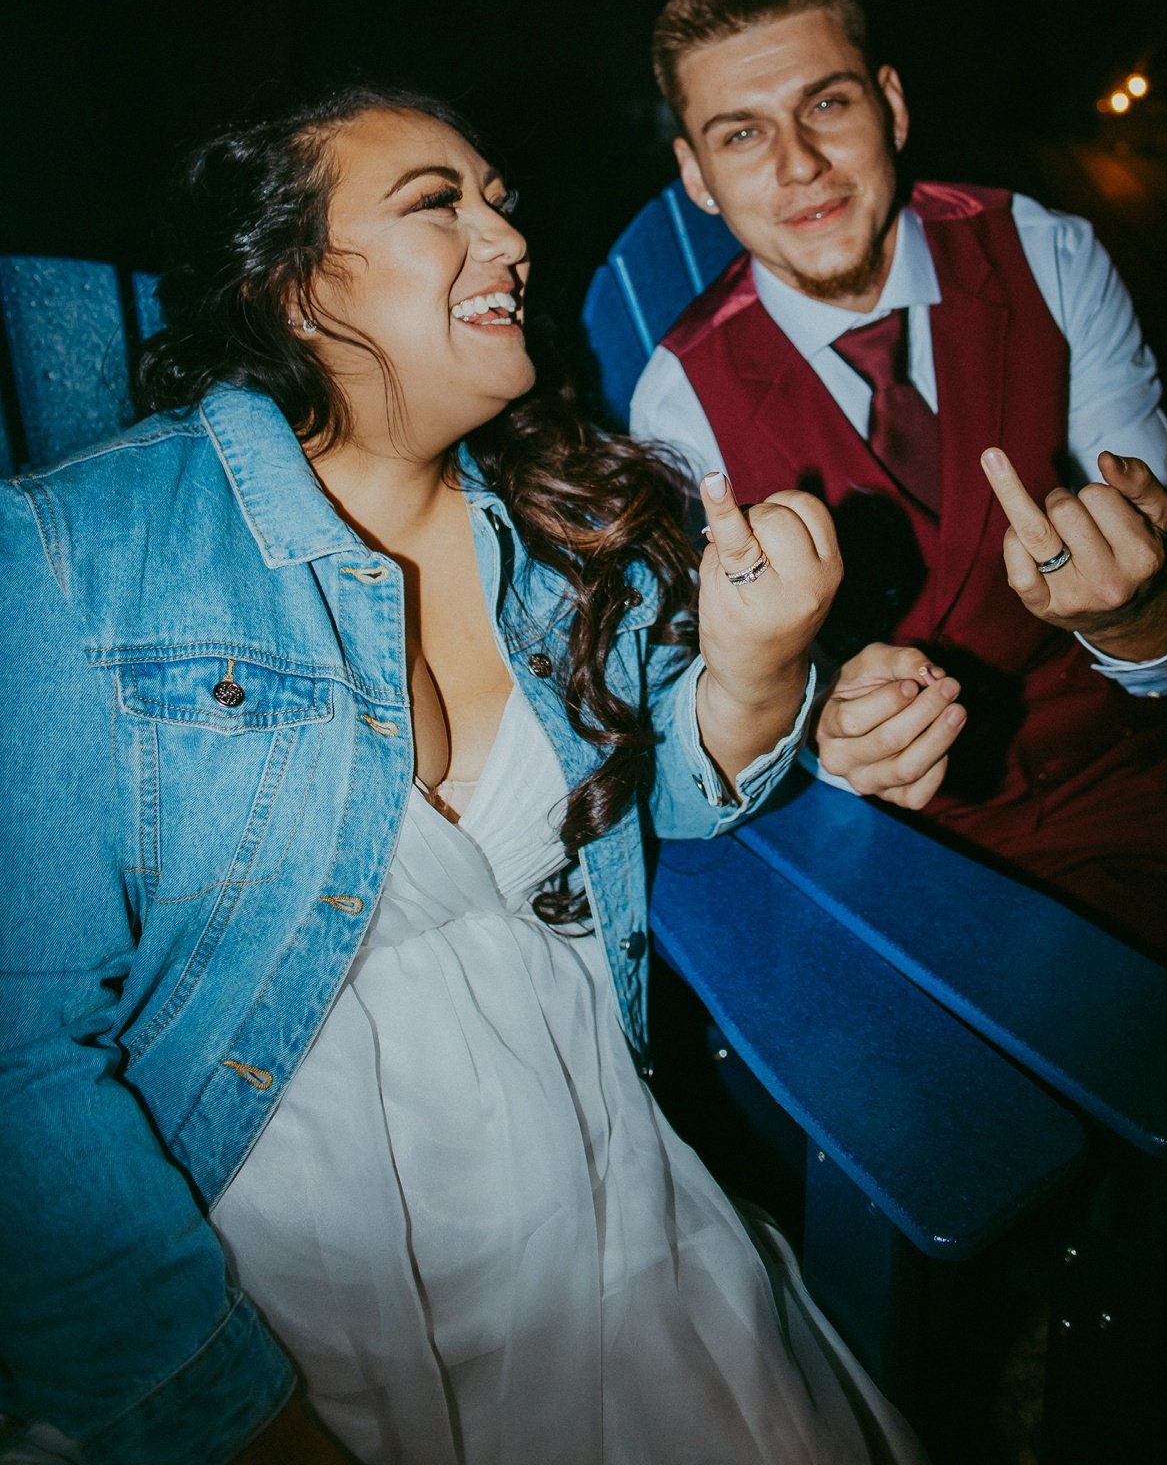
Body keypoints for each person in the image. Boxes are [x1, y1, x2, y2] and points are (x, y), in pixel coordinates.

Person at [0, 86, 928, 1465]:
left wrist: (758, 666)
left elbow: (665, 791)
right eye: (438, 204)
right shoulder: (80, 554)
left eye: (498, 199)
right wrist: (218, 1414)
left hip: (589, 1168)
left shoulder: (557, 528)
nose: (506, 237)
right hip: (262, 1228)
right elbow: (20, 1056)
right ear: (296, 286)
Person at [631, 0, 1167, 1374]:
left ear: (891, 102)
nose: (798, 165)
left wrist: (1132, 618)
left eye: (826, 103)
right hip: (984, 853)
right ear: (695, 179)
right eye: (739, 134)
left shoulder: (1045, 251)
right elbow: (708, 718)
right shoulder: (681, 397)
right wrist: (813, 716)